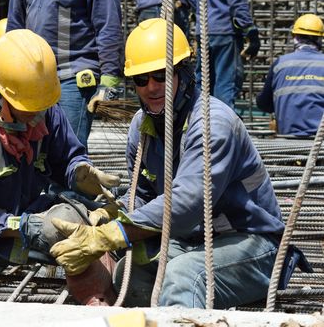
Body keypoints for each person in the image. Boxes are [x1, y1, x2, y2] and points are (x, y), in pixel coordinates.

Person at [50, 18, 285, 309]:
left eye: (161, 75)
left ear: (184, 74)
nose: (151, 87)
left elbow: (187, 204)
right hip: (194, 239)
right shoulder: (142, 127)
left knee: (184, 277)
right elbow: (145, 195)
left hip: (252, 243)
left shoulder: (213, 124)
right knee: (128, 273)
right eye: (141, 79)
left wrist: (114, 234)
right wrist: (111, 213)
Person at [0, 29, 121, 304]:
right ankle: (95, 300)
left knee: (90, 220)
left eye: (42, 105)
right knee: (70, 232)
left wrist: (79, 171)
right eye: (28, 108)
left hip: (32, 211)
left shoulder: (41, 107)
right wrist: (24, 227)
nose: (36, 115)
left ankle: (108, 294)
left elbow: (68, 157)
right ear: (2, 93)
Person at [6, 0, 124, 148]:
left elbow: (108, 26)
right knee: (32, 162)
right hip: (30, 78)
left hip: (72, 81)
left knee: (66, 162)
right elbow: (15, 21)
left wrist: (109, 83)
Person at [188, 0, 260, 110]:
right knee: (225, 86)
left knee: (202, 86)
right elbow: (238, 2)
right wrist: (250, 32)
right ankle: (222, 132)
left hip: (203, 31)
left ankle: (198, 128)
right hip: (226, 33)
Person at [257, 14, 324, 137]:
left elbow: (263, 103)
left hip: (287, 139)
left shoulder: (280, 64)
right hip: (319, 142)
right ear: (320, 39)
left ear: (295, 37)